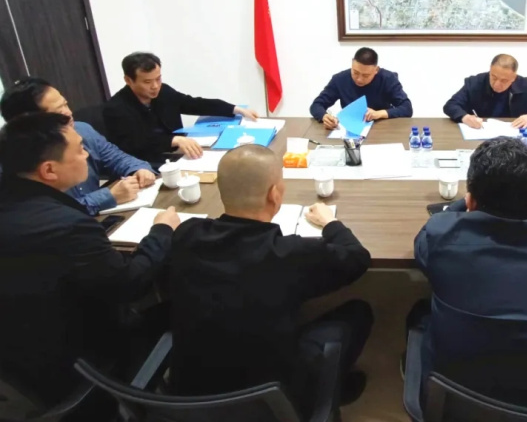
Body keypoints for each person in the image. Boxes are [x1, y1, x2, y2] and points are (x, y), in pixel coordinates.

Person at [168, 144, 373, 412]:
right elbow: (357, 258)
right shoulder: (291, 254)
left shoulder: (186, 235)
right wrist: (330, 223)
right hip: (271, 403)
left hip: (187, 400)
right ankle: (332, 386)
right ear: (274, 194)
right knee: (359, 312)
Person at [0, 112, 179, 414]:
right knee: (178, 303)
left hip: (16, 357)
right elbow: (129, 285)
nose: (87, 155)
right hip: (78, 360)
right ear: (49, 169)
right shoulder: (67, 225)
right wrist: (162, 230)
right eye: (80, 149)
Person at [411, 137, 527, 410]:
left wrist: (460, 206)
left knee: (418, 312)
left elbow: (423, 240)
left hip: (457, 401)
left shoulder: (443, 237)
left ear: (471, 202)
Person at [0, 77, 156, 215]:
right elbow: (50, 214)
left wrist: (139, 170)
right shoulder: (19, 162)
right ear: (30, 123)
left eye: (65, 104)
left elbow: (118, 158)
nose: (68, 113)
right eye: (58, 111)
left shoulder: (82, 130)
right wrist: (108, 196)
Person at [103, 52, 258, 165]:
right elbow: (134, 142)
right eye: (147, 82)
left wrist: (234, 109)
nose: (155, 86)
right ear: (128, 80)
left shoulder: (163, 91)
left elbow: (194, 103)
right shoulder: (116, 108)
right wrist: (173, 140)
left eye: (158, 79)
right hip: (146, 164)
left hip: (180, 154)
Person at [310, 47, 412, 129]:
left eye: (366, 76)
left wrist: (379, 114)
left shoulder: (387, 79)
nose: (359, 79)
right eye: (355, 72)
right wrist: (324, 116)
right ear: (352, 63)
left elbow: (407, 108)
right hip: (351, 129)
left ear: (376, 70)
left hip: (382, 128)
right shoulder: (340, 79)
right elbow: (316, 105)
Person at [443, 54, 527, 129]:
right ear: (490, 69)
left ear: (513, 78)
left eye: (504, 80)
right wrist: (465, 117)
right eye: (494, 77)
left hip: (513, 137)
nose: (497, 84)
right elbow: (451, 105)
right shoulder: (475, 82)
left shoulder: (524, 84)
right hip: (482, 135)